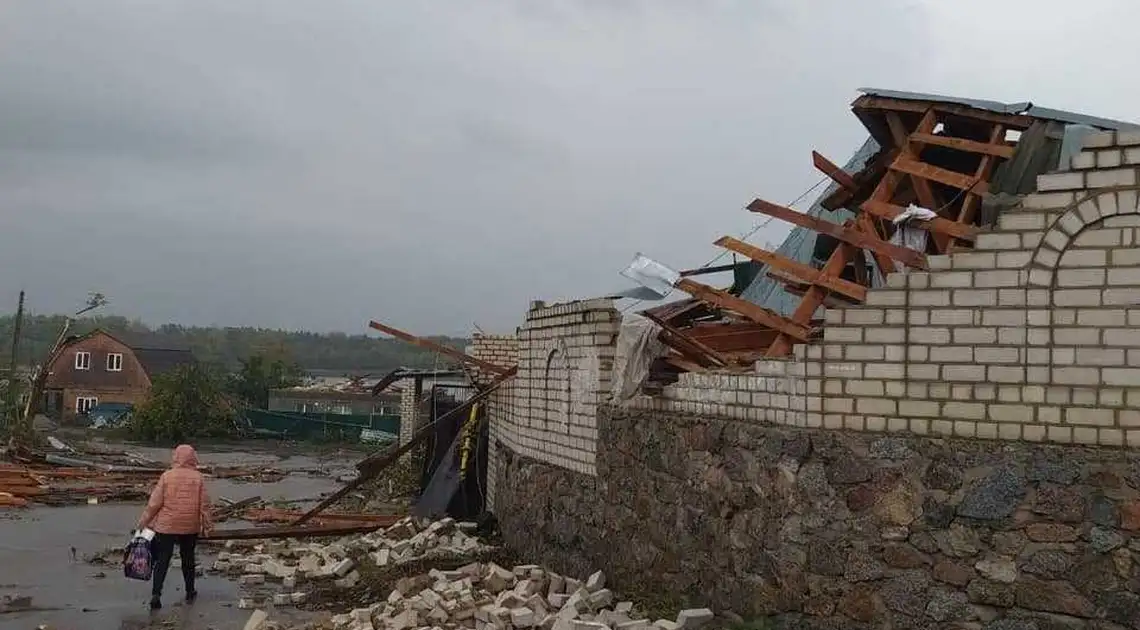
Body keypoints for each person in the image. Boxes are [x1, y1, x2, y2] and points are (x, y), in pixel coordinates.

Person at [136, 444, 213, 610]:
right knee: (188, 559)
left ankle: (156, 594)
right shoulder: (198, 478)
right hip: (189, 525)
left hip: (166, 525)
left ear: (175, 457)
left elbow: (154, 504)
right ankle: (190, 591)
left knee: (162, 559)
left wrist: (143, 522)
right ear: (193, 458)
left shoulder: (167, 476)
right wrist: (207, 525)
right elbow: (204, 505)